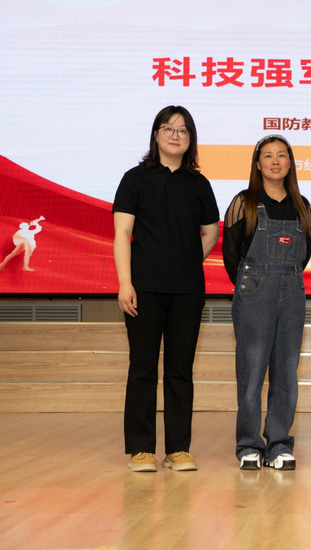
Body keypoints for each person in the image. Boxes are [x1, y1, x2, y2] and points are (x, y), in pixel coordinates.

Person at [112, 105, 220, 472]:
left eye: (183, 130)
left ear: (191, 139)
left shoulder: (199, 184)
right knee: (142, 368)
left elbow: (210, 233)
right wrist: (125, 283)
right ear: (156, 134)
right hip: (143, 289)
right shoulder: (135, 179)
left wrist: (187, 260)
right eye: (168, 128)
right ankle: (141, 450)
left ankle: (178, 449)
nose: (176, 135)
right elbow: (122, 233)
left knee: (180, 370)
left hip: (187, 290)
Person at [223, 134, 311, 471]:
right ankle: (249, 445)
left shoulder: (302, 205)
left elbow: (304, 253)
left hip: (292, 290)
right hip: (254, 290)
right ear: (258, 164)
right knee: (252, 369)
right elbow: (231, 254)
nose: (276, 161)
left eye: (282, 155)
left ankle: (278, 445)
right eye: (268, 155)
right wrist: (254, 282)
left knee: (286, 371)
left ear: (290, 163)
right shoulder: (243, 202)